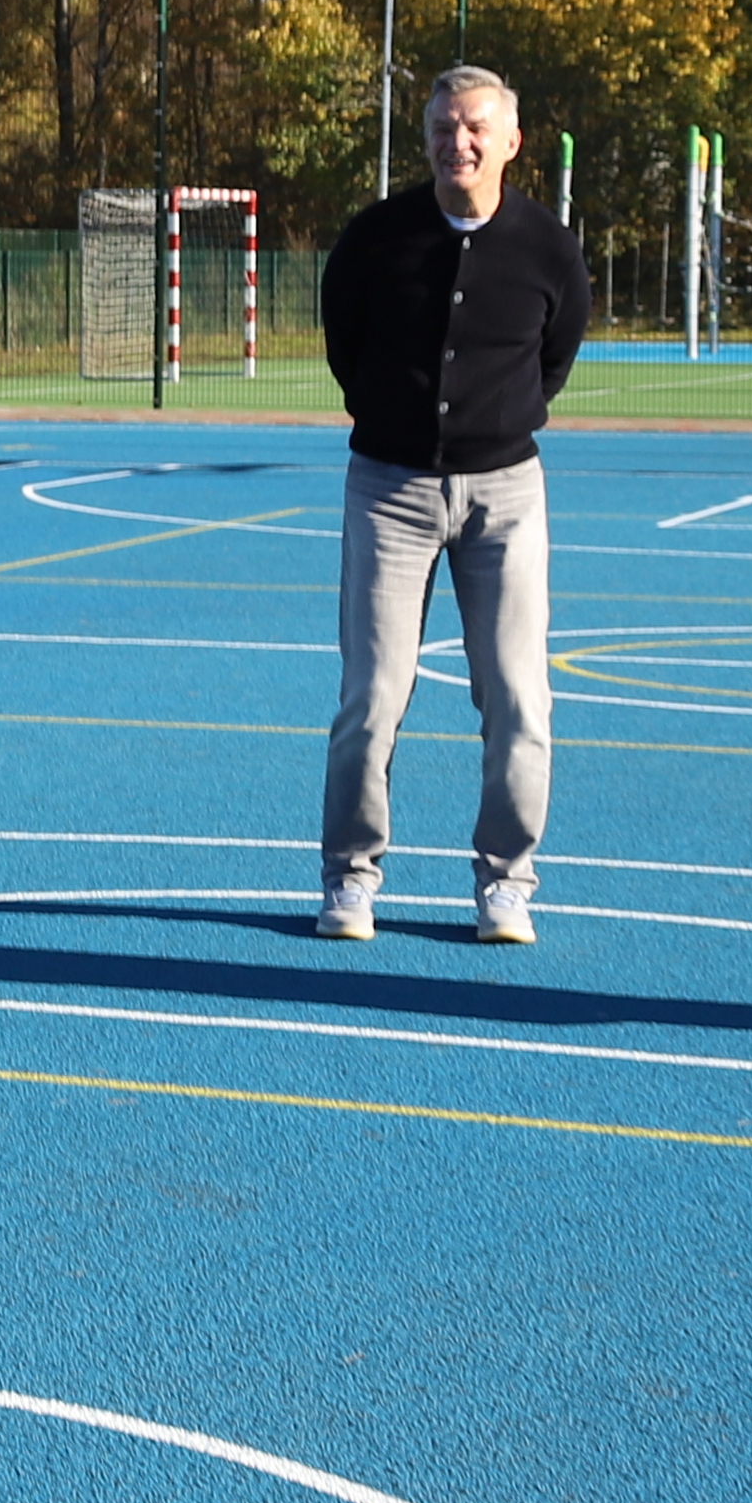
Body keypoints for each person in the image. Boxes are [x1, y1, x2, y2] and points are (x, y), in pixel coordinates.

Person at [314, 62, 591, 948]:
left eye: (474, 127)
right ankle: (350, 879)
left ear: (511, 142)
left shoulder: (549, 249)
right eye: (442, 127)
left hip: (506, 493)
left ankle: (506, 884)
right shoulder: (375, 239)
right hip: (388, 491)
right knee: (373, 695)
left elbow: (555, 357)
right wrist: (393, 422)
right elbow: (344, 345)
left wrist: (492, 428)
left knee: (518, 698)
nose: (456, 142)